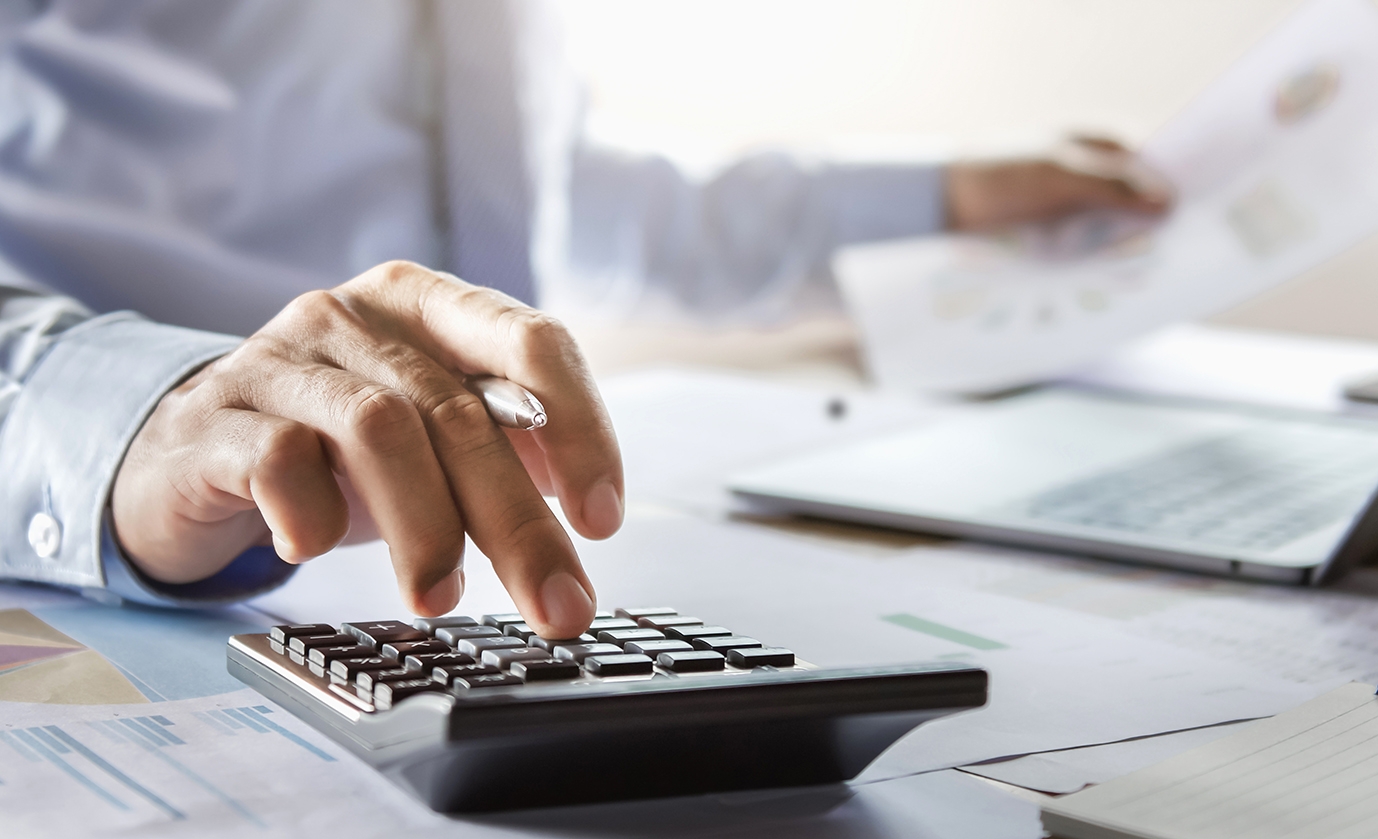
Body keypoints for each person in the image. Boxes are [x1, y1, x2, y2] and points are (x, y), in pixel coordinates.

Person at [0, 1, 1169, 638]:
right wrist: (141, 419)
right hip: (90, 557)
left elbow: (529, 185)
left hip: (425, 585)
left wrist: (940, 201)